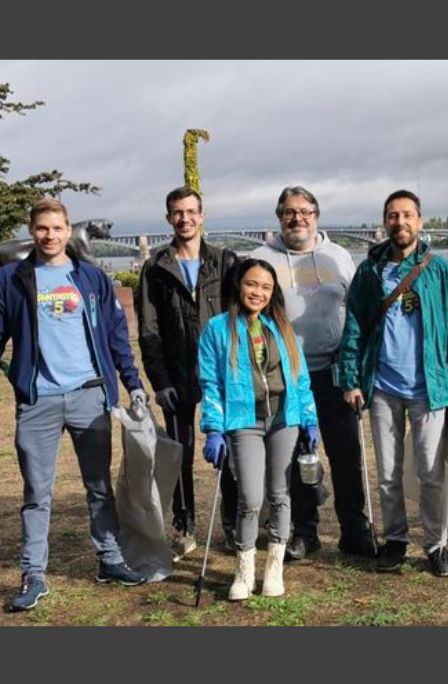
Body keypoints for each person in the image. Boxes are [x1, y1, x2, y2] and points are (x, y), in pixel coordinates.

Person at [0, 198, 150, 612]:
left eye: (57, 228)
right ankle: (33, 574)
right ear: (32, 231)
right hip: (38, 400)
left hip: (90, 396)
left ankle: (110, 560)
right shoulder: (12, 280)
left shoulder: (91, 278)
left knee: (99, 487)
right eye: (42, 228)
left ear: (69, 230)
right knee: (37, 492)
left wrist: (133, 384)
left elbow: (117, 337)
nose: (50, 235)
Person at [337, 190, 448, 577]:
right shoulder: (370, 271)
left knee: (432, 471)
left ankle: (436, 543)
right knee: (389, 472)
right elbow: (355, 328)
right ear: (385, 222)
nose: (400, 222)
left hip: (429, 386)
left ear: (420, 220)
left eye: (407, 215)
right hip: (382, 386)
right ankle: (395, 539)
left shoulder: (439, 269)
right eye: (393, 216)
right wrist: (350, 379)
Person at [249, 186, 378, 561]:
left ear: (317, 216)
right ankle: (304, 532)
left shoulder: (338, 256)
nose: (297, 219)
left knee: (346, 454)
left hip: (335, 372)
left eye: (305, 211)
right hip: (285, 375)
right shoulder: (262, 258)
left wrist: (358, 367)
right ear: (279, 217)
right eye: (289, 212)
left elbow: (358, 312)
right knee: (295, 456)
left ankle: (355, 529)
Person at [198, 259, 320, 600]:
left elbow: (300, 378)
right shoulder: (218, 329)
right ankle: (244, 571)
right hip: (243, 421)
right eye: (252, 284)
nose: (258, 292)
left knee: (280, 493)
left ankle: (274, 569)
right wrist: (213, 429)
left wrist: (309, 419)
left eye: (266, 287)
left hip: (284, 418)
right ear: (239, 285)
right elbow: (210, 383)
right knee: (250, 498)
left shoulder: (282, 327)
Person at [135, 186, 239, 558]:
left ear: (202, 215)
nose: (185, 218)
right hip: (176, 375)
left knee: (228, 449)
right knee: (179, 453)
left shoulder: (226, 262)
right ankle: (185, 526)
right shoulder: (155, 268)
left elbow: (240, 318)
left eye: (192, 211)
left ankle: (233, 523)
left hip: (221, 375)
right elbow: (149, 330)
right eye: (178, 212)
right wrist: (159, 381)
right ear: (169, 218)